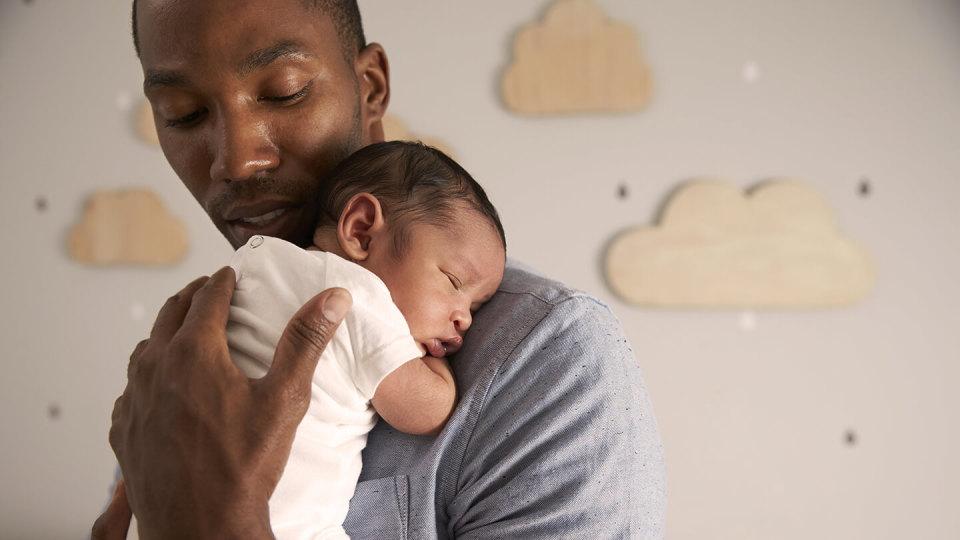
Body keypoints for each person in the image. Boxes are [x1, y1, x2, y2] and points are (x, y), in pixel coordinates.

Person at [94, 0, 667, 538]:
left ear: (369, 87)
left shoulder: (545, 359)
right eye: (184, 114)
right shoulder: (188, 353)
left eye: (285, 92)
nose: (237, 159)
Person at [227, 141, 506, 538]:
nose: (464, 318)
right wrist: (431, 362)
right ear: (361, 231)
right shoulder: (356, 296)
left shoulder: (255, 263)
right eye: (454, 282)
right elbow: (427, 412)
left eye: (476, 307)